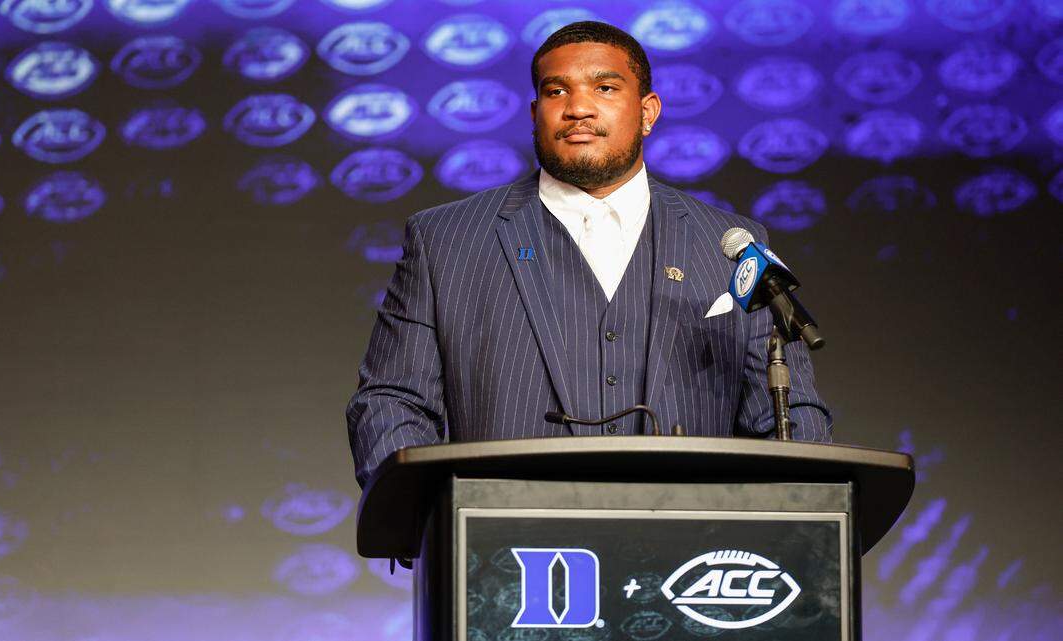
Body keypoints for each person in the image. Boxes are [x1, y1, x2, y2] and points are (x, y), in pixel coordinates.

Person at [347, 21, 831, 487]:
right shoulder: (446, 239)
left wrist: (795, 525)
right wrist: (429, 512)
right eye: (557, 92)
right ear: (536, 112)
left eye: (604, 89)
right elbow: (393, 400)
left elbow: (785, 415)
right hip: (505, 551)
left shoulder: (732, 243)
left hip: (686, 547)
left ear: (647, 112)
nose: (578, 108)